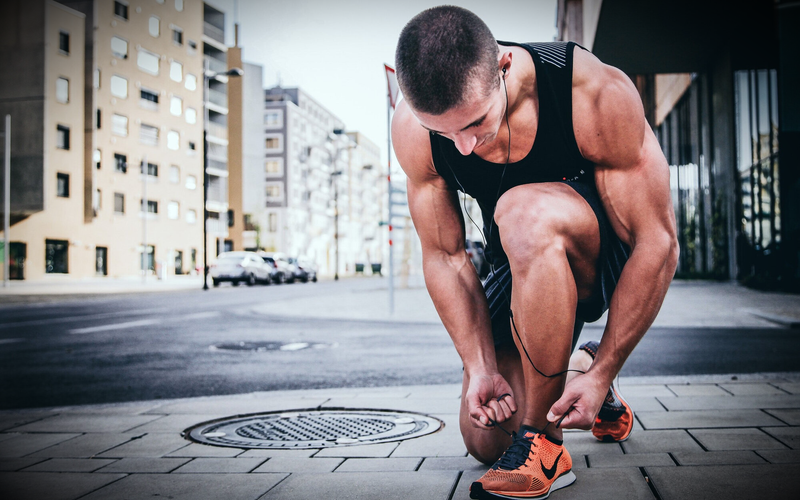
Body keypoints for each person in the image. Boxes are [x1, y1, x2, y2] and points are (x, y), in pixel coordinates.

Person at [391, 6, 679, 499]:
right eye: (445, 133)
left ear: (503, 67)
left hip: (598, 255)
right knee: (485, 437)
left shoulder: (589, 91)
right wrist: (480, 366)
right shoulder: (414, 127)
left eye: (476, 122)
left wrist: (613, 361)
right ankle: (578, 373)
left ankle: (545, 445)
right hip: (518, 261)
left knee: (521, 211)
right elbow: (446, 256)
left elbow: (658, 242)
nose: (462, 147)